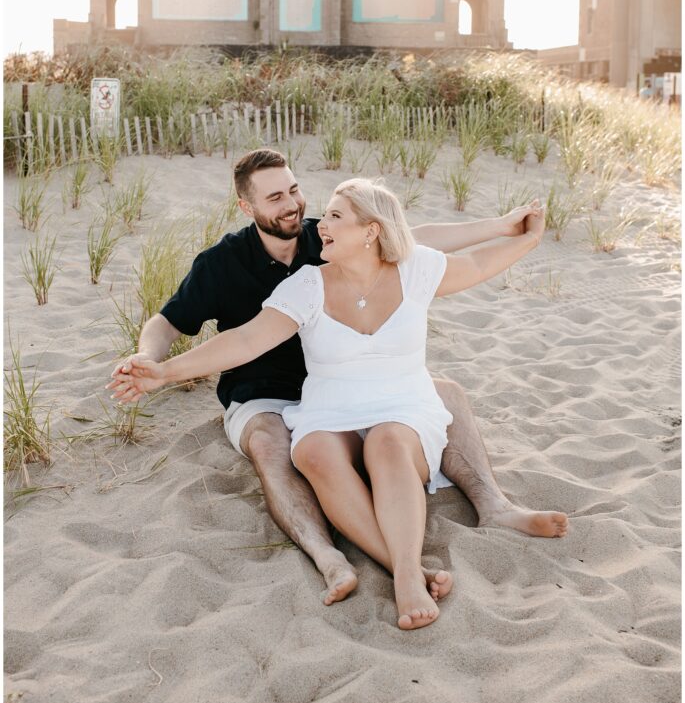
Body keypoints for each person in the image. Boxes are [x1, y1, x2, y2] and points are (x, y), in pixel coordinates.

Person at [109, 149, 568, 607]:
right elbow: (227, 336)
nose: (295, 206)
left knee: (431, 405)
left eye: (294, 190)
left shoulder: (335, 242)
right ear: (248, 208)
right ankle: (341, 558)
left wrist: (510, 229)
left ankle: (494, 508)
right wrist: (157, 365)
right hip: (271, 394)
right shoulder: (238, 267)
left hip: (360, 391)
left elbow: (422, 241)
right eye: (275, 197)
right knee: (285, 445)